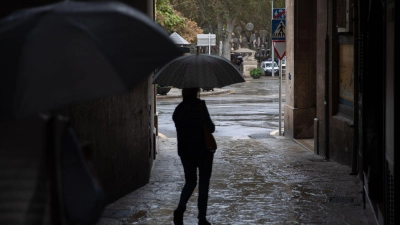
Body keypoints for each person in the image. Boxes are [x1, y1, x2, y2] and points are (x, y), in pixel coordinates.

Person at [172, 88, 215, 225]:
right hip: (203, 151)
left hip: (186, 152)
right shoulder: (200, 106)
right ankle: (201, 218)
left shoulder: (179, 109)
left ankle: (180, 209)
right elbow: (211, 128)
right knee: (203, 184)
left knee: (190, 182)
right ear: (196, 91)